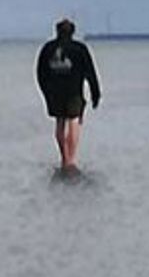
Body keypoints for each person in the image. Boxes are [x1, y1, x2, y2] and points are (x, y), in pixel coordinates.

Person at [36, 18, 101, 169]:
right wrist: (95, 94)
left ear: (57, 31)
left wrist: (46, 92)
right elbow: (90, 73)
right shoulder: (80, 49)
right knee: (74, 122)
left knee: (59, 123)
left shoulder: (48, 48)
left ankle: (64, 157)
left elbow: (40, 73)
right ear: (73, 32)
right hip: (73, 92)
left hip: (55, 93)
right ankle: (71, 159)